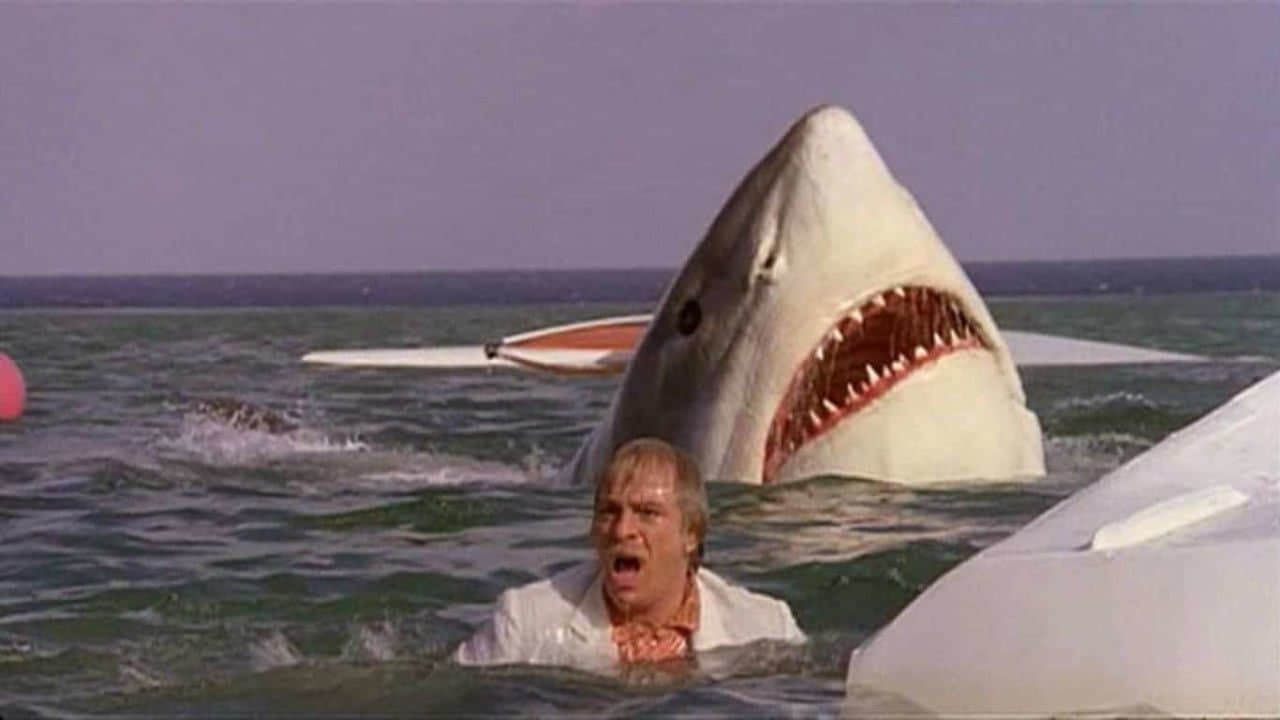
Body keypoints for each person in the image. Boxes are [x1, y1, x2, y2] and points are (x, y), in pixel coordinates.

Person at [453, 437, 805, 672]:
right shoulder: (525, 623)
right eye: (609, 512)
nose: (622, 530)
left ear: (691, 535)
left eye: (647, 513)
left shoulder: (765, 628)